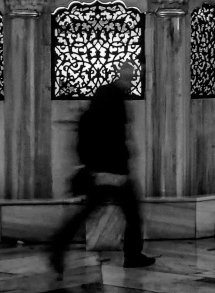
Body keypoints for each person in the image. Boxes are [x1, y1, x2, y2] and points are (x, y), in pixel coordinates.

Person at [49, 62, 155, 276]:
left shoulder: (105, 97)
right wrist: (111, 171)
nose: (131, 80)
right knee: (132, 214)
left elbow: (88, 131)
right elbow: (111, 137)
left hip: (103, 171)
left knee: (91, 213)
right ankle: (132, 255)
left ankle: (57, 249)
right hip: (111, 172)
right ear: (122, 76)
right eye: (129, 76)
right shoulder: (112, 98)